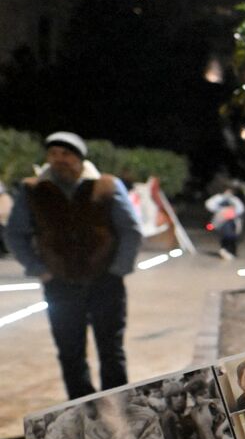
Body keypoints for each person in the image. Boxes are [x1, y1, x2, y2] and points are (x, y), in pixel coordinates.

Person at [4, 131, 143, 400]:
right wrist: (38, 269)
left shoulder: (106, 185)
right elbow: (15, 233)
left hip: (105, 281)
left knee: (112, 351)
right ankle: (83, 411)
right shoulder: (33, 189)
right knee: (70, 352)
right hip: (60, 284)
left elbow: (131, 230)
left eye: (66, 154)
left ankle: (119, 408)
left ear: (79, 158)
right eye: (53, 154)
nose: (59, 160)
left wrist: (118, 270)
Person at [205, 185, 245, 260]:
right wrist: (220, 209)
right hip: (222, 221)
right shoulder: (218, 198)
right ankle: (225, 250)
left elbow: (240, 209)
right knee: (225, 237)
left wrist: (233, 212)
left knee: (232, 237)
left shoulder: (234, 200)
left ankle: (231, 251)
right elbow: (209, 204)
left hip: (232, 221)